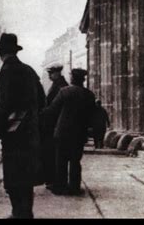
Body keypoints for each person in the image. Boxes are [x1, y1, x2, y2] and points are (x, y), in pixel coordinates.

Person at [0, 33, 44, 219]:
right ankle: (26, 212)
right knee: (26, 174)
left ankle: (17, 213)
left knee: (13, 173)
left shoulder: (6, 71)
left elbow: (5, 104)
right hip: (31, 130)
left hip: (13, 132)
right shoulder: (29, 70)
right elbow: (42, 99)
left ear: (1, 52)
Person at [42, 68, 96, 196]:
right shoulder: (89, 94)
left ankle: (60, 187)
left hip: (62, 132)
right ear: (83, 79)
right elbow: (92, 115)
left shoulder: (64, 92)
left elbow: (52, 110)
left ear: (72, 78)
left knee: (60, 160)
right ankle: (74, 187)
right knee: (75, 160)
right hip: (79, 133)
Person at [40, 64, 69, 190]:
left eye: (51, 73)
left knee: (54, 154)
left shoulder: (61, 86)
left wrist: (41, 113)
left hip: (55, 124)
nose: (49, 75)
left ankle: (55, 180)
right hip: (52, 124)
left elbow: (55, 107)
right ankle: (52, 179)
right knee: (51, 153)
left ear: (58, 73)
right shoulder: (57, 84)